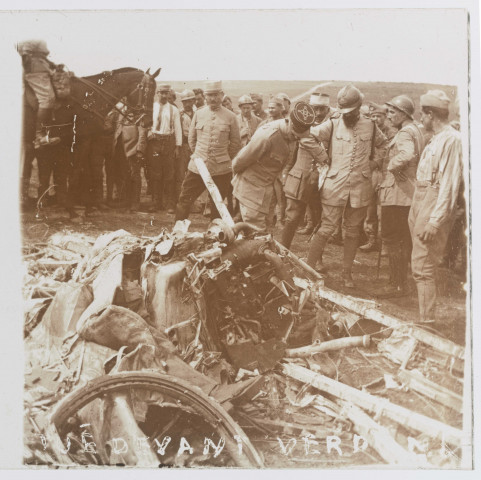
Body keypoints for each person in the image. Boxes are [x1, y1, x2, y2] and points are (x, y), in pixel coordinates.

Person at [306, 84, 387, 288]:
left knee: (352, 232)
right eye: (343, 112)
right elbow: (308, 137)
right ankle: (308, 267)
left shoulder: (370, 125)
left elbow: (384, 145)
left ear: (359, 108)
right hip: (335, 185)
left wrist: (375, 162)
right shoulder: (332, 125)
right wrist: (323, 157)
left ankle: (347, 273)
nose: (347, 116)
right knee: (326, 228)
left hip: (360, 188)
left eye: (351, 112)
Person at [409, 90, 463, 323]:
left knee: (423, 266)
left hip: (433, 202)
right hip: (421, 198)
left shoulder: (452, 140)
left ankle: (427, 322)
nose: (421, 118)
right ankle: (425, 318)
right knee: (419, 263)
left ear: (431, 114)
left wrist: (434, 220)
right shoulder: (437, 138)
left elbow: (449, 184)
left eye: (423, 113)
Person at [232, 102, 316, 232]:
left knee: (262, 229)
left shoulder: (291, 135)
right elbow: (240, 162)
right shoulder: (267, 136)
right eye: (294, 135)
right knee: (255, 232)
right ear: (290, 123)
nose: (295, 139)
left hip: (266, 189)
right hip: (250, 188)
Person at [374, 95, 425, 298]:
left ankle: (396, 284)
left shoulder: (404, 133)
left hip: (397, 194)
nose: (389, 116)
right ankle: (400, 283)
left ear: (404, 113)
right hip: (408, 194)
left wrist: (392, 167)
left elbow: (406, 154)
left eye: (393, 112)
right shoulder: (416, 130)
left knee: (392, 239)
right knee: (403, 240)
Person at [175, 80, 241, 221]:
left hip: (221, 170)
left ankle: (215, 237)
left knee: (217, 204)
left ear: (222, 95)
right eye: (209, 95)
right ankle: (177, 233)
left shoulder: (231, 117)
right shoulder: (199, 114)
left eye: (216, 95)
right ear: (205, 96)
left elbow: (235, 143)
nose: (212, 98)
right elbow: (192, 140)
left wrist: (222, 157)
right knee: (184, 200)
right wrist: (200, 156)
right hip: (197, 167)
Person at [297, 93, 339, 236]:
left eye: (323, 109)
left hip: (331, 163)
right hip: (311, 163)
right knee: (309, 193)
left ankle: (332, 229)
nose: (319, 113)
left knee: (329, 197)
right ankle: (311, 223)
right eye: (316, 109)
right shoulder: (305, 117)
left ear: (328, 108)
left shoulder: (336, 118)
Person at [359, 102, 399, 251]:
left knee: (384, 212)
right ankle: (371, 240)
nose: (375, 119)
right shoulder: (369, 131)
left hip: (385, 174)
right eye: (373, 116)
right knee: (370, 210)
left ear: (385, 117)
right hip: (371, 174)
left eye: (379, 116)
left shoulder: (392, 133)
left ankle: (385, 244)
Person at [17, 39, 61, 148]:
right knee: (47, 99)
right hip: (35, 69)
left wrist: (51, 64)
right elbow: (24, 51)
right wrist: (27, 64)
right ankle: (39, 136)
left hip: (41, 65)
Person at [147, 84, 182, 213]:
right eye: (161, 93)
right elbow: (145, 123)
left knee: (169, 174)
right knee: (155, 173)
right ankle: (156, 202)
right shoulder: (151, 108)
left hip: (168, 142)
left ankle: (170, 204)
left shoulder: (174, 109)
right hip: (154, 142)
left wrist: (178, 146)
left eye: (166, 93)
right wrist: (148, 132)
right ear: (157, 93)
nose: (164, 95)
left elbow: (178, 128)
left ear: (169, 94)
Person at [111, 109, 148, 212]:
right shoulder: (120, 113)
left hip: (133, 151)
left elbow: (142, 134)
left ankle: (135, 202)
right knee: (125, 176)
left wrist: (140, 150)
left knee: (135, 176)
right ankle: (126, 200)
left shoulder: (139, 116)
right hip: (121, 151)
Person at [177, 89, 196, 205]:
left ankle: (194, 201)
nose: (187, 104)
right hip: (183, 145)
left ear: (193, 101)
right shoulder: (179, 114)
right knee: (180, 173)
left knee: (194, 174)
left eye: (189, 101)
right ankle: (181, 200)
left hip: (195, 146)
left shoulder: (198, 113)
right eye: (185, 102)